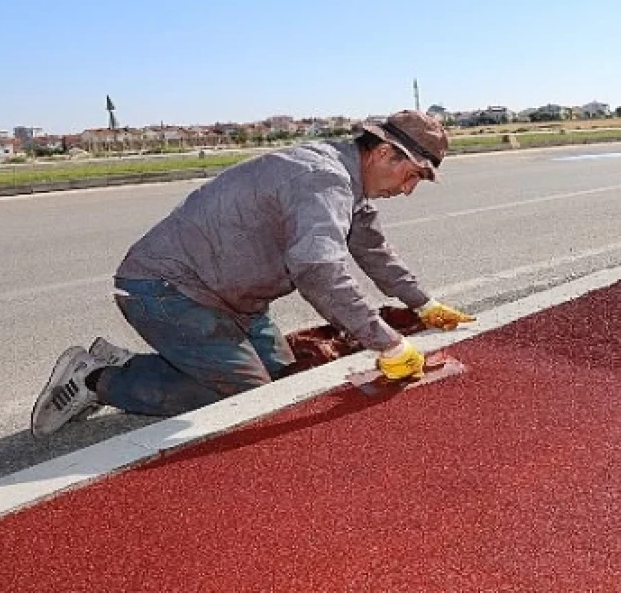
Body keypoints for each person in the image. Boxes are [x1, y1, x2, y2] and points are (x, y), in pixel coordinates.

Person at [30, 110, 475, 437]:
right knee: (251, 403)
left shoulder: (348, 184)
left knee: (288, 384)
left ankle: (136, 365)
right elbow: (319, 270)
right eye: (412, 175)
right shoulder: (324, 180)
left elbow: (373, 250)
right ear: (382, 153)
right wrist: (389, 343)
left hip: (231, 299)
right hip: (168, 292)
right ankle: (98, 379)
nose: (409, 189)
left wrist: (423, 303)